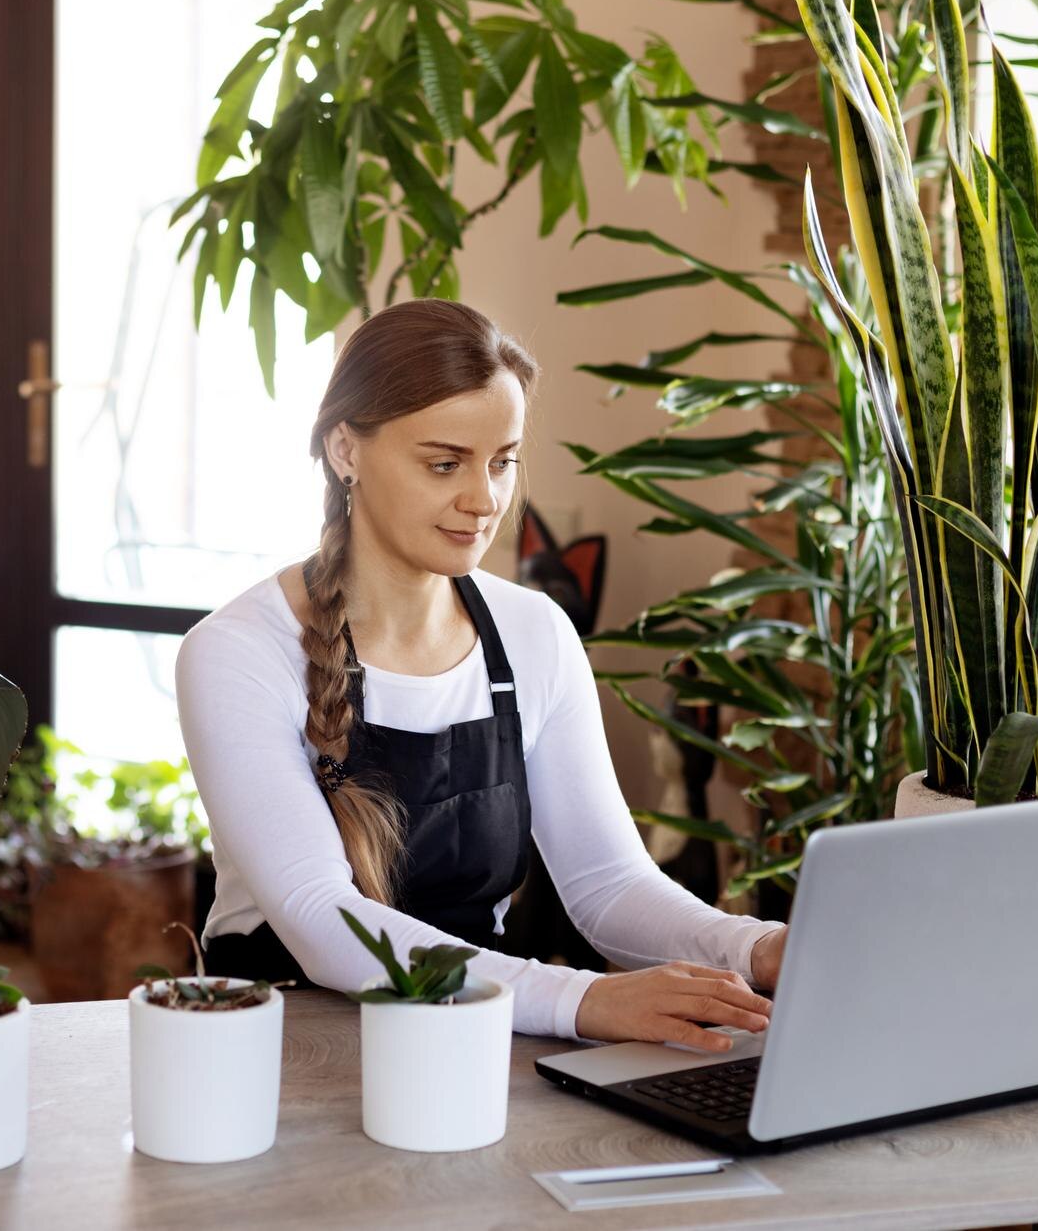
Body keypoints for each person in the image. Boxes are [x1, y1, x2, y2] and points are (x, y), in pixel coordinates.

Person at [175, 298, 788, 1048]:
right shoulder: (237, 651)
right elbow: (320, 917)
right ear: (345, 449)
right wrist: (584, 999)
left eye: (503, 461)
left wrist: (753, 948)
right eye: (445, 463)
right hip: (278, 1060)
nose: (484, 499)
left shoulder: (534, 635)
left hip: (470, 1052)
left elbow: (608, 884)